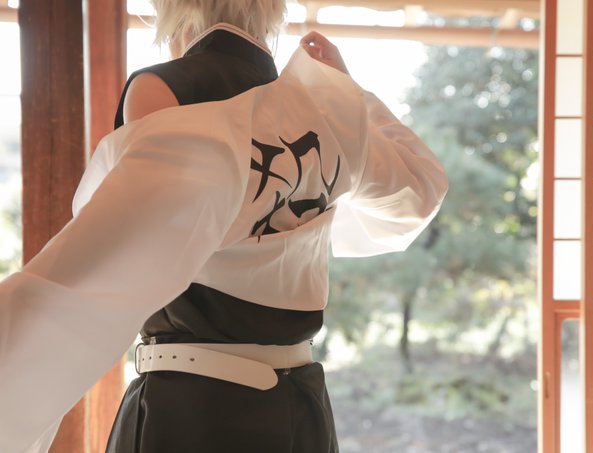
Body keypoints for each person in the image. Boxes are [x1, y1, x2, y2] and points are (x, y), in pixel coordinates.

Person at [0, 1, 448, 452]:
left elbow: (131, 243)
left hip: (193, 407)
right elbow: (417, 194)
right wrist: (349, 94)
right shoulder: (323, 110)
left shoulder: (165, 88)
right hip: (303, 407)